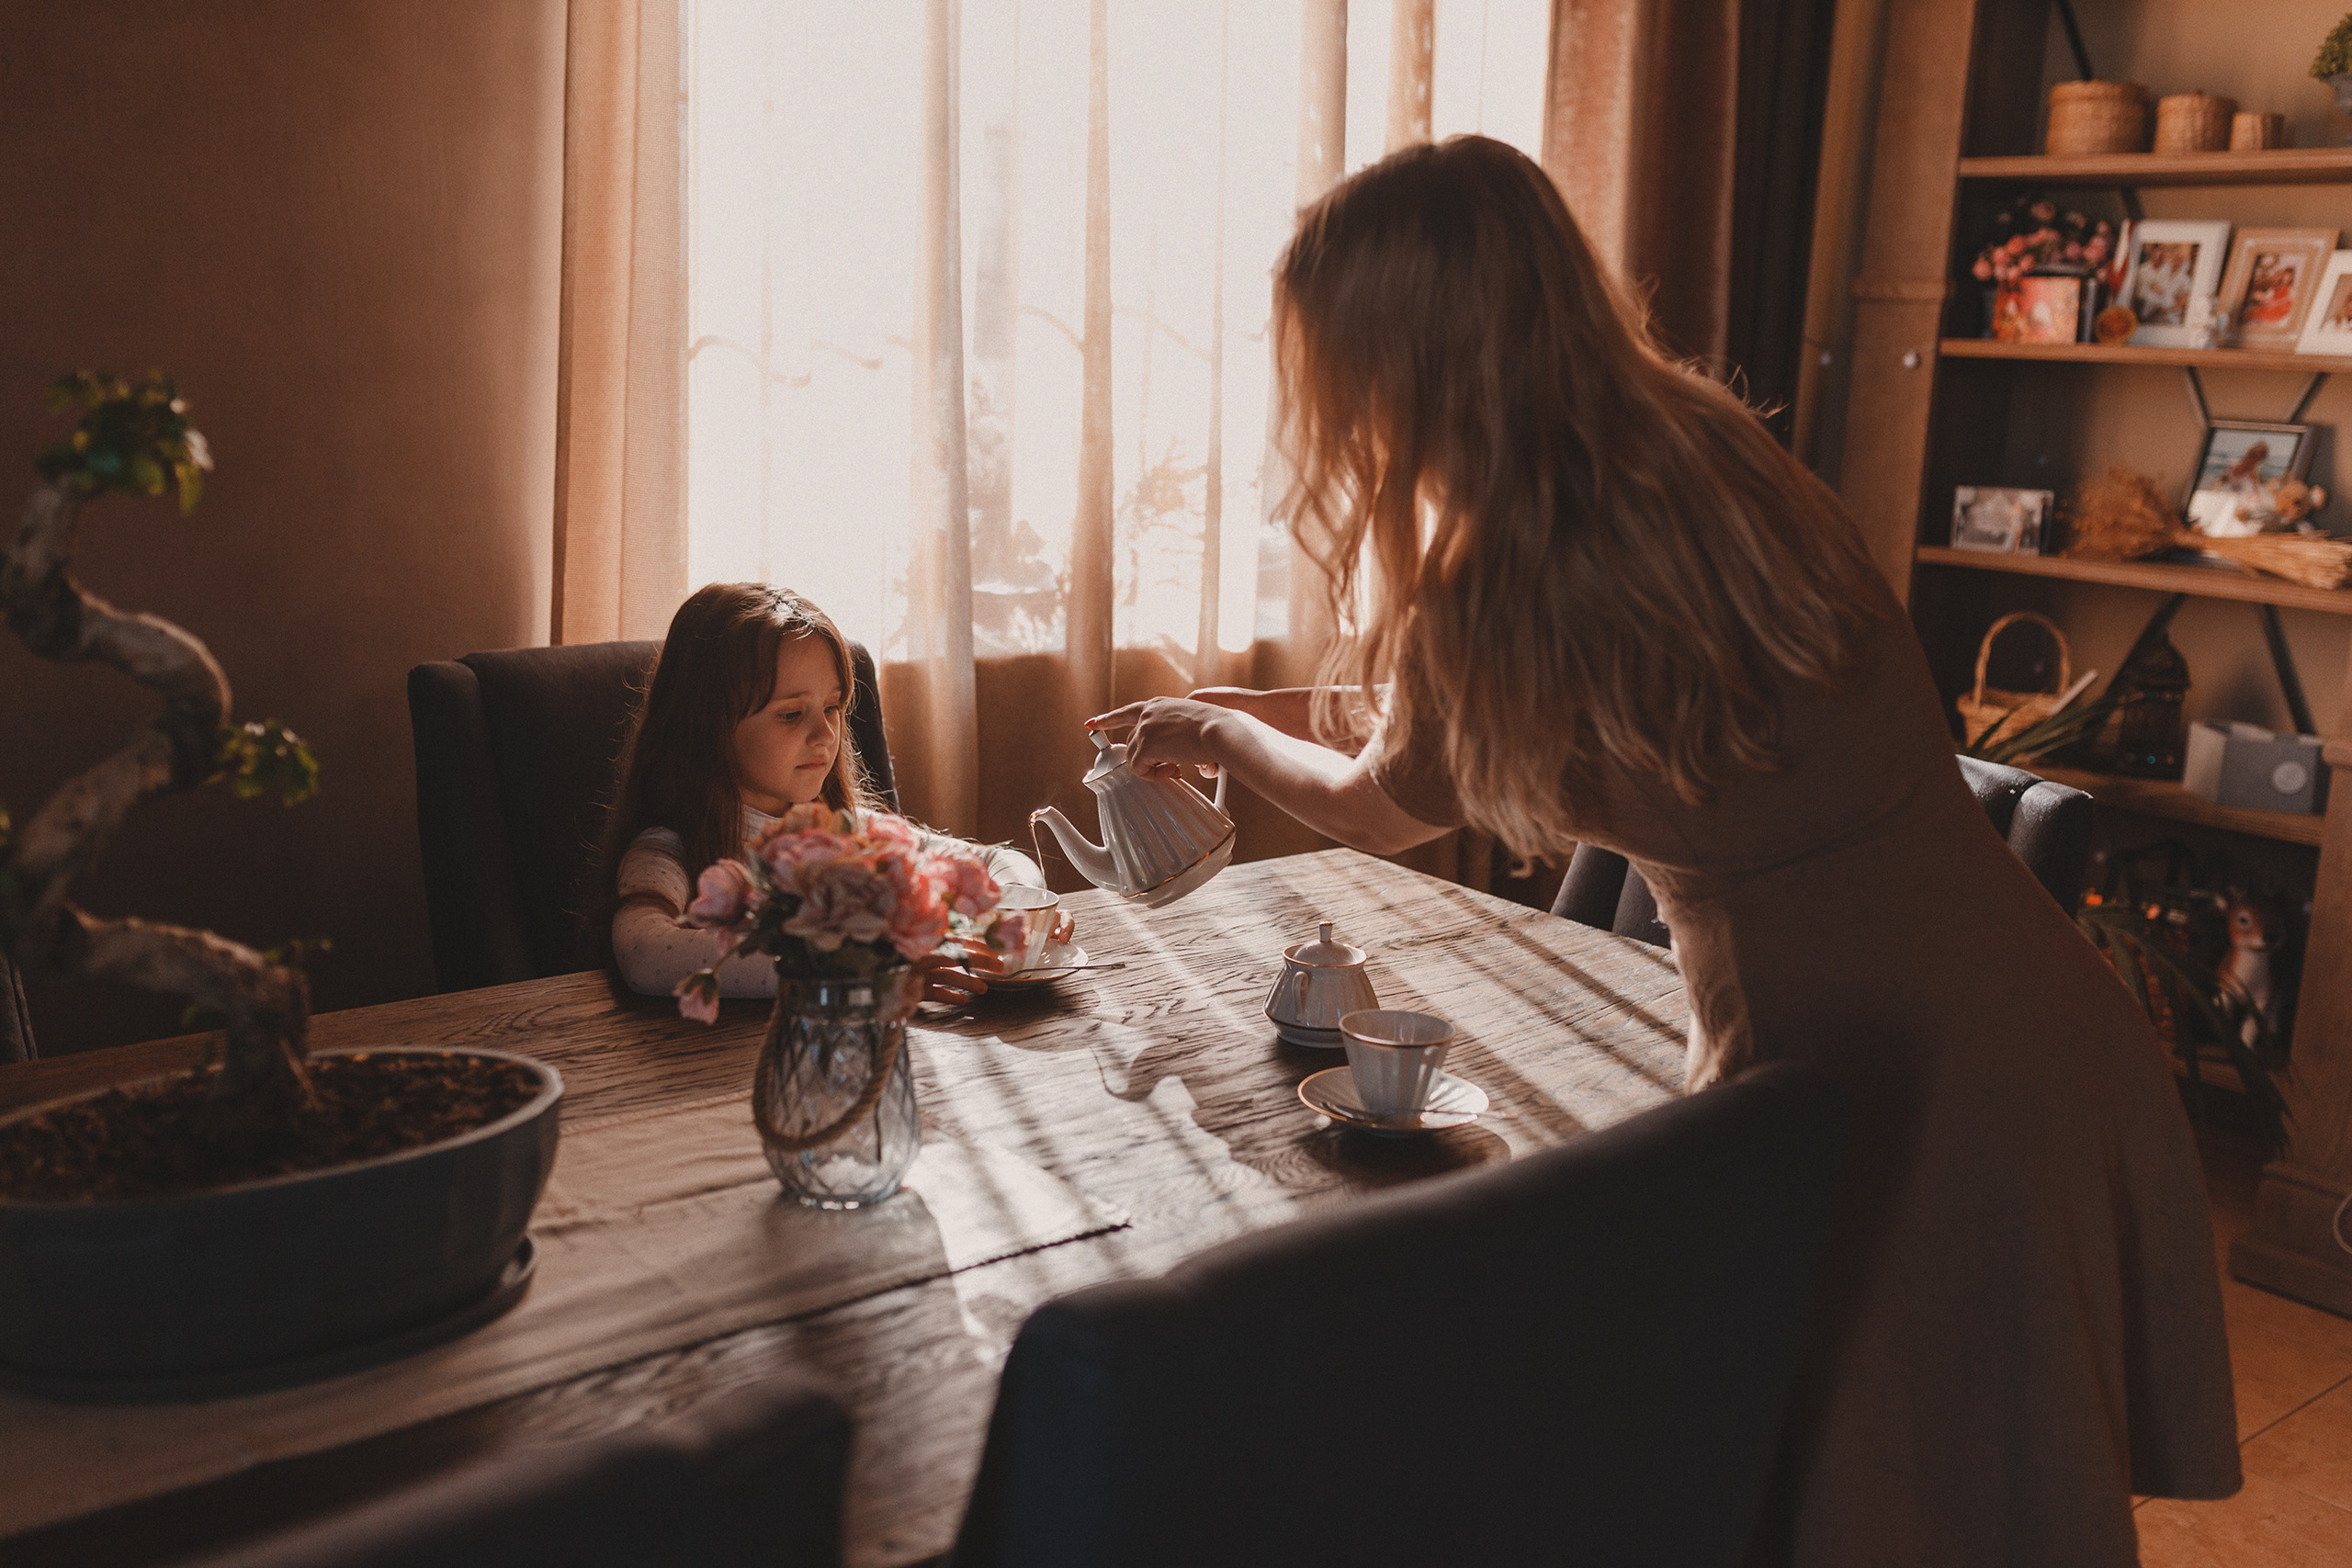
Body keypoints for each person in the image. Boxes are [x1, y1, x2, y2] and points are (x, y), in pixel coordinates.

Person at [1091, 137, 2238, 1566]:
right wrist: (1234, 716)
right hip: (2031, 1015)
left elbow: (1388, 801)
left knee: (1870, 1501)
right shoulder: (1703, 451)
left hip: (1868, 1073)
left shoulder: (1494, 571)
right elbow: (1423, 738)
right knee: (1972, 1502)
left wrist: (1219, 731)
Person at [601, 582, 1065, 1006]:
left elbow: (991, 862)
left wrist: (1011, 909)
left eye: (831, 707)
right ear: (707, 724)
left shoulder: (852, 831)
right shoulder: (669, 852)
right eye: (790, 714)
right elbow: (644, 954)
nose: (825, 734)